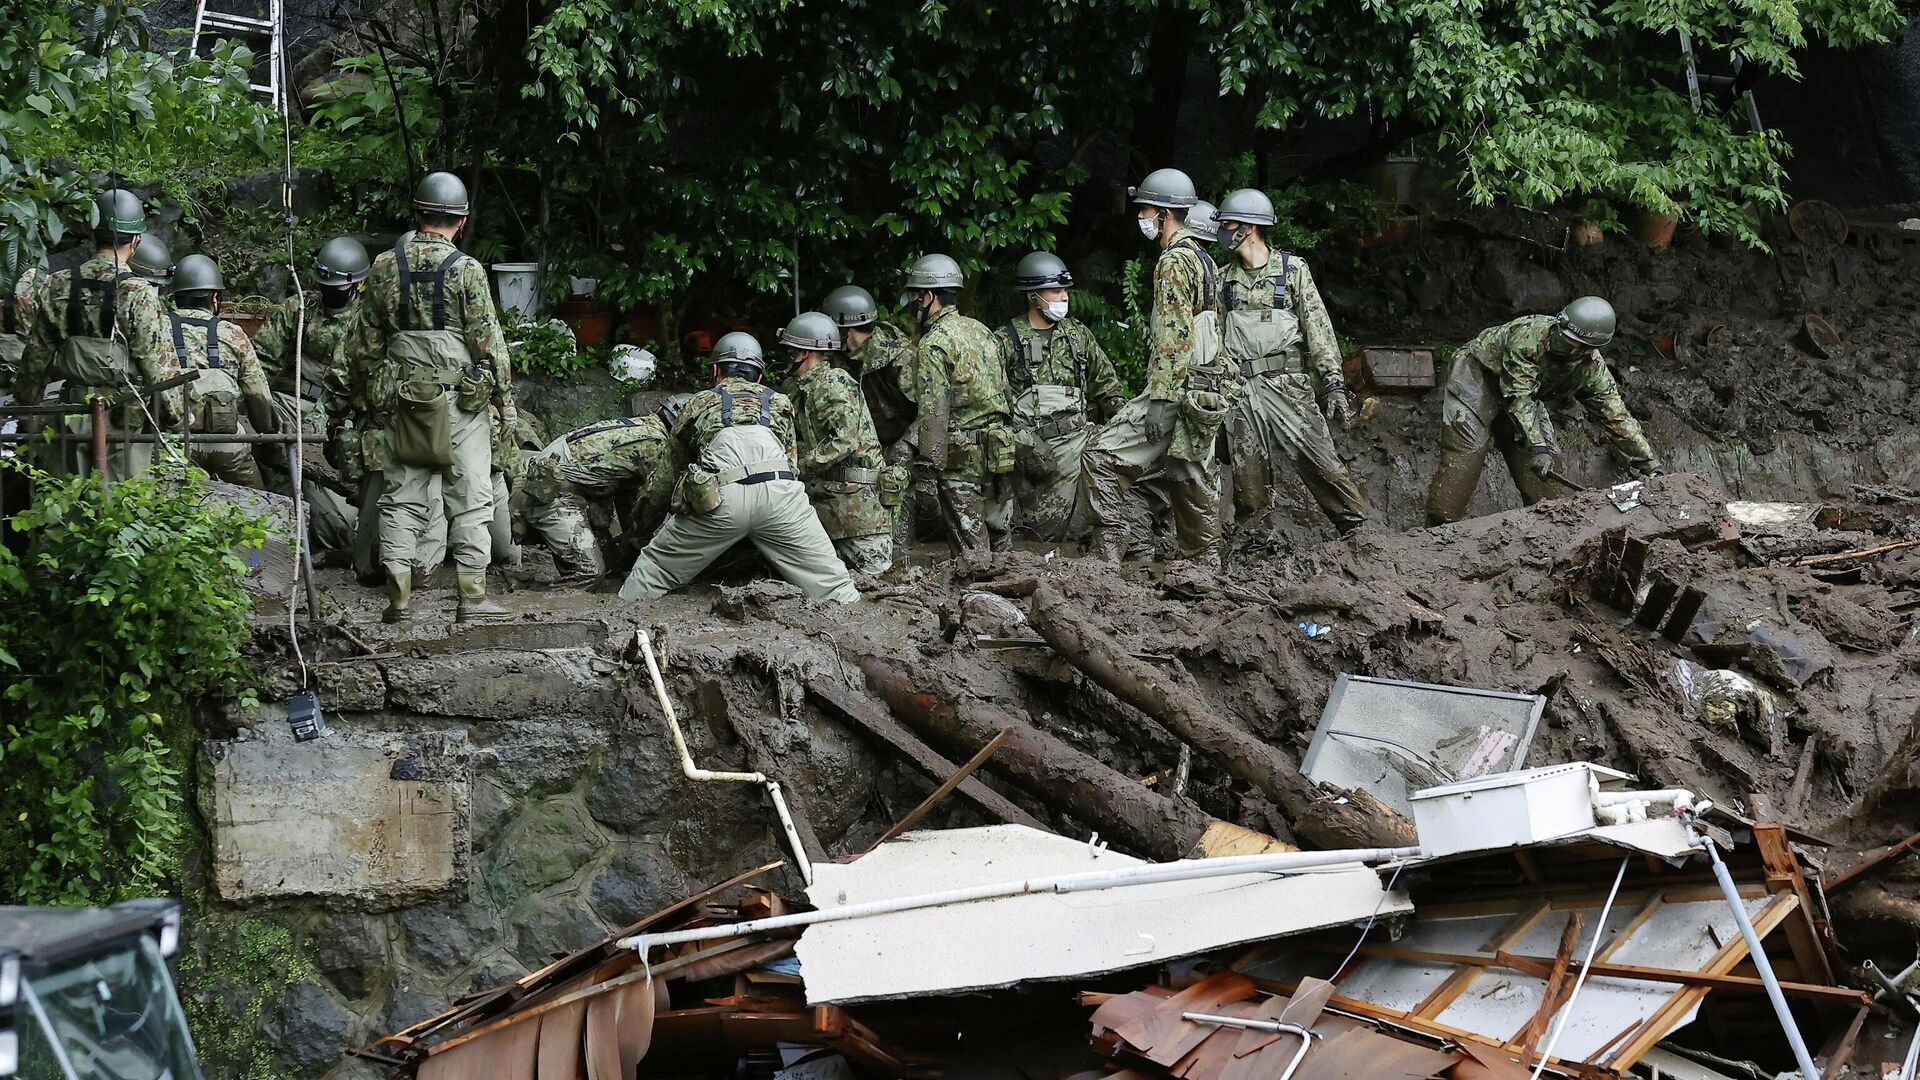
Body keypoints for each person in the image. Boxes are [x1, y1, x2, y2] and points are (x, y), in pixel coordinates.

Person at [343, 171, 516, 623]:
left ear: (417, 213)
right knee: (472, 497)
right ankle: (472, 599)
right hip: (461, 404)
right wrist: (505, 400)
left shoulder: (382, 266)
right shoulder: (467, 270)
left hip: (405, 400)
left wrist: (374, 397)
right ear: (461, 221)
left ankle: (399, 600)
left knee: (401, 497)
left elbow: (363, 346)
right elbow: (488, 342)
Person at [619, 333, 858, 603]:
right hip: (781, 498)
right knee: (836, 587)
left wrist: (639, 534)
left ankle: (624, 616)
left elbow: (665, 478)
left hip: (721, 500)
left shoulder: (699, 402)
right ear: (759, 377)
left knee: (654, 571)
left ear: (715, 371)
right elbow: (792, 466)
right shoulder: (780, 403)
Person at [1081, 168, 1234, 564]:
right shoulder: (1205, 260)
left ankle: (1108, 559)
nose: (1141, 219)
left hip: (1177, 387)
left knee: (1099, 457)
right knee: (1190, 473)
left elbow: (1174, 335)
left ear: (1165, 215)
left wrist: (1161, 400)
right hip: (1204, 386)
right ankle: (1205, 565)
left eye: (1145, 210)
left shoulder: (1172, 263)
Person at [1425, 296, 1660, 524]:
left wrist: (1649, 465)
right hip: (1478, 381)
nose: (1561, 340)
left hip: (1527, 396)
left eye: (1572, 342)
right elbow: (1518, 395)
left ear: (1588, 349)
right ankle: (1434, 535)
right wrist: (1538, 445)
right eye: (1562, 334)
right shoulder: (1528, 337)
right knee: (1465, 462)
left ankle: (1548, 543)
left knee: (1549, 490)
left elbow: (1616, 416)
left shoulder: (1591, 370)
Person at [1214, 187, 1368, 534]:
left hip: (1288, 384)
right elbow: (1216, 340)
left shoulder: (1292, 270)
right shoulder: (1224, 281)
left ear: (1249, 228)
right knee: (1248, 481)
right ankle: (1255, 548)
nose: (1223, 231)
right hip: (1241, 391)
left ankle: (1360, 534)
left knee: (1323, 465)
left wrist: (1333, 384)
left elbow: (1319, 328)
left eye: (1229, 223)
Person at [23, 188, 179, 479]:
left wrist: (26, 414)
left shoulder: (57, 284)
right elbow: (158, 369)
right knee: (123, 510)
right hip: (122, 424)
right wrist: (175, 418)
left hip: (68, 417)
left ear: (94, 235)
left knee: (68, 506)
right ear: (136, 240)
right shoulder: (138, 292)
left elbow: (34, 361)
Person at [994, 251, 1124, 541]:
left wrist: (1125, 430)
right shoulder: (1005, 341)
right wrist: (1023, 443)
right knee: (1041, 536)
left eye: (1065, 290)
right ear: (1032, 296)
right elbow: (992, 406)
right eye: (1055, 290)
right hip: (1037, 452)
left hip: (1081, 438)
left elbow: (1108, 388)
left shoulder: (1077, 335)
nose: (1063, 297)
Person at [905, 253, 1014, 555]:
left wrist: (927, 470)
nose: (912, 303)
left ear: (928, 296)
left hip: (962, 459)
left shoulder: (933, 343)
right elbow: (1006, 393)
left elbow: (934, 414)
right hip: (1000, 450)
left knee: (972, 552)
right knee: (1001, 541)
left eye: (915, 296)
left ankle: (981, 598)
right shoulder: (982, 331)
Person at [518, 395, 686, 580]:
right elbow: (654, 502)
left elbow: (629, 495)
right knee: (589, 572)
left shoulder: (641, 426)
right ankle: (541, 602)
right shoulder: (656, 445)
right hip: (549, 491)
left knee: (610, 561)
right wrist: (639, 537)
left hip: (553, 480)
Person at [780, 311, 893, 576]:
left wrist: (800, 465)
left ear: (804, 353)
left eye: (790, 350)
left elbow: (844, 440)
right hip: (827, 504)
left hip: (858, 512)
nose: (786, 357)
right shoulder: (800, 388)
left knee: (874, 580)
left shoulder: (834, 384)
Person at [163, 254, 280, 488]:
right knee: (259, 504)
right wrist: (268, 436)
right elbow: (259, 397)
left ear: (175, 296)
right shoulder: (233, 334)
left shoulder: (158, 327)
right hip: (226, 442)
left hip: (174, 443)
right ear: (215, 298)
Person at [824, 283, 919, 566]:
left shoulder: (900, 359)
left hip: (903, 446)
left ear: (845, 331)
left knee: (897, 488)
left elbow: (930, 412)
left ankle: (898, 553)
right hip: (861, 447)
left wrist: (905, 451)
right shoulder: (837, 358)